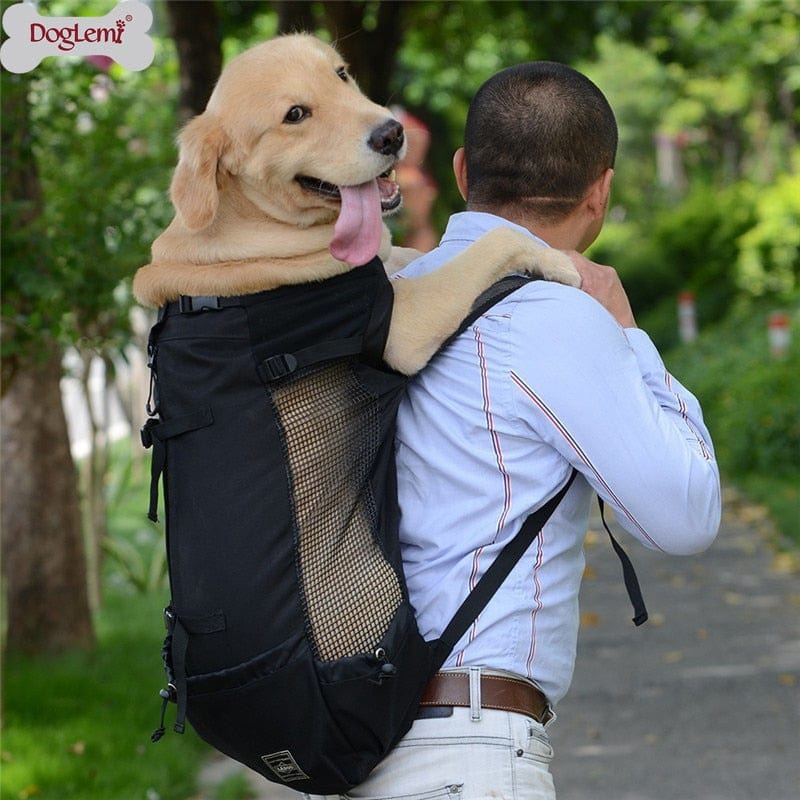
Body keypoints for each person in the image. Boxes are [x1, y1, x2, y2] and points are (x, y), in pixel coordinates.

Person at [338, 62, 721, 799]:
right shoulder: (551, 318)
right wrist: (627, 333)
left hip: (359, 732)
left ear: (459, 170)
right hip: (464, 754)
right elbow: (686, 515)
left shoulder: (394, 293)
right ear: (600, 189)